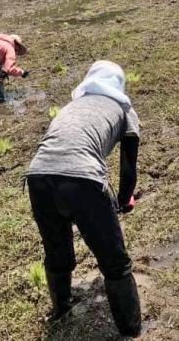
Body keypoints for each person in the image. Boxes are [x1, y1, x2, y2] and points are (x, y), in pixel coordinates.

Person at [26, 61, 141, 337]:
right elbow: (128, 167)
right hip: (83, 180)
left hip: (38, 177)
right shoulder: (124, 109)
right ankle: (131, 329)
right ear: (119, 84)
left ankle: (62, 308)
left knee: (57, 250)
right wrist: (124, 200)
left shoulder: (71, 106)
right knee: (115, 263)